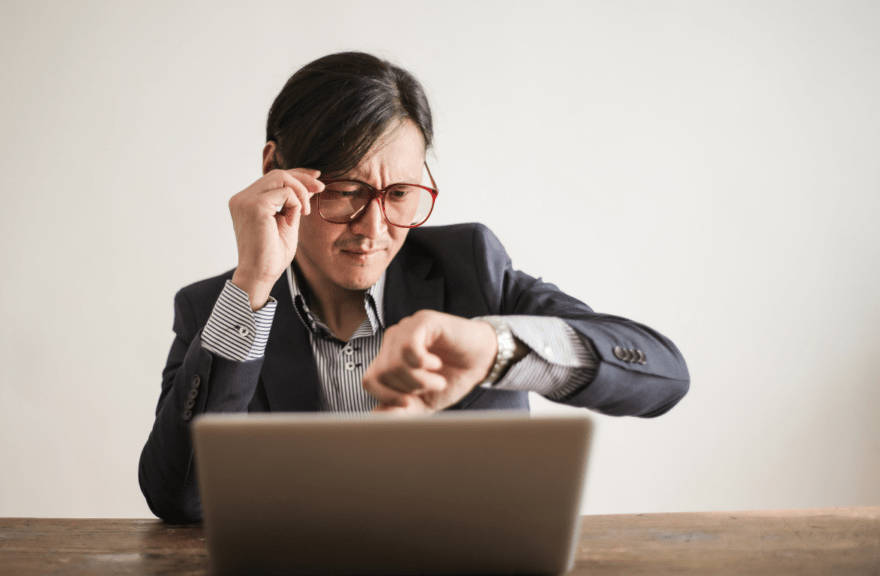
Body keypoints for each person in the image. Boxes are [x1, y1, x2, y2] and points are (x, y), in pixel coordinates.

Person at [139, 52, 689, 524]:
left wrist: (495, 351)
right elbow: (179, 499)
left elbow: (662, 374)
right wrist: (253, 287)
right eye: (346, 191)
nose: (373, 230)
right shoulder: (216, 309)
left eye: (400, 193)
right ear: (275, 172)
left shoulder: (470, 267)